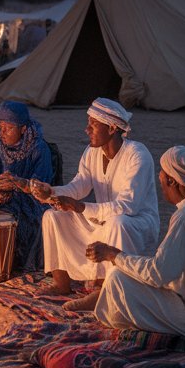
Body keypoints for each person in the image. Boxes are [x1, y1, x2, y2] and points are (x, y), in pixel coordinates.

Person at [88, 146, 185, 340]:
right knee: (129, 272)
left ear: (172, 180)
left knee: (117, 279)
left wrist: (113, 255)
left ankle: (111, 321)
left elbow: (159, 274)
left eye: (162, 174)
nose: (159, 179)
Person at [32, 98, 159, 311]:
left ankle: (107, 291)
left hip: (136, 224)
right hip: (102, 218)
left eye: (93, 124)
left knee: (117, 223)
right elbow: (79, 186)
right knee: (53, 216)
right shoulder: (92, 152)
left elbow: (128, 206)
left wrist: (80, 207)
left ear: (111, 128)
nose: (86, 129)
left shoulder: (138, 154)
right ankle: (61, 283)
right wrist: (52, 192)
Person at [0, 102, 54, 271]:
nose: (2, 133)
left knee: (16, 217)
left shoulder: (39, 149)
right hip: (7, 195)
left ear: (22, 129)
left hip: (32, 201)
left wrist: (14, 185)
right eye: (0, 127)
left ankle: (8, 261)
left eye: (8, 128)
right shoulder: (2, 145)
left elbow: (39, 187)